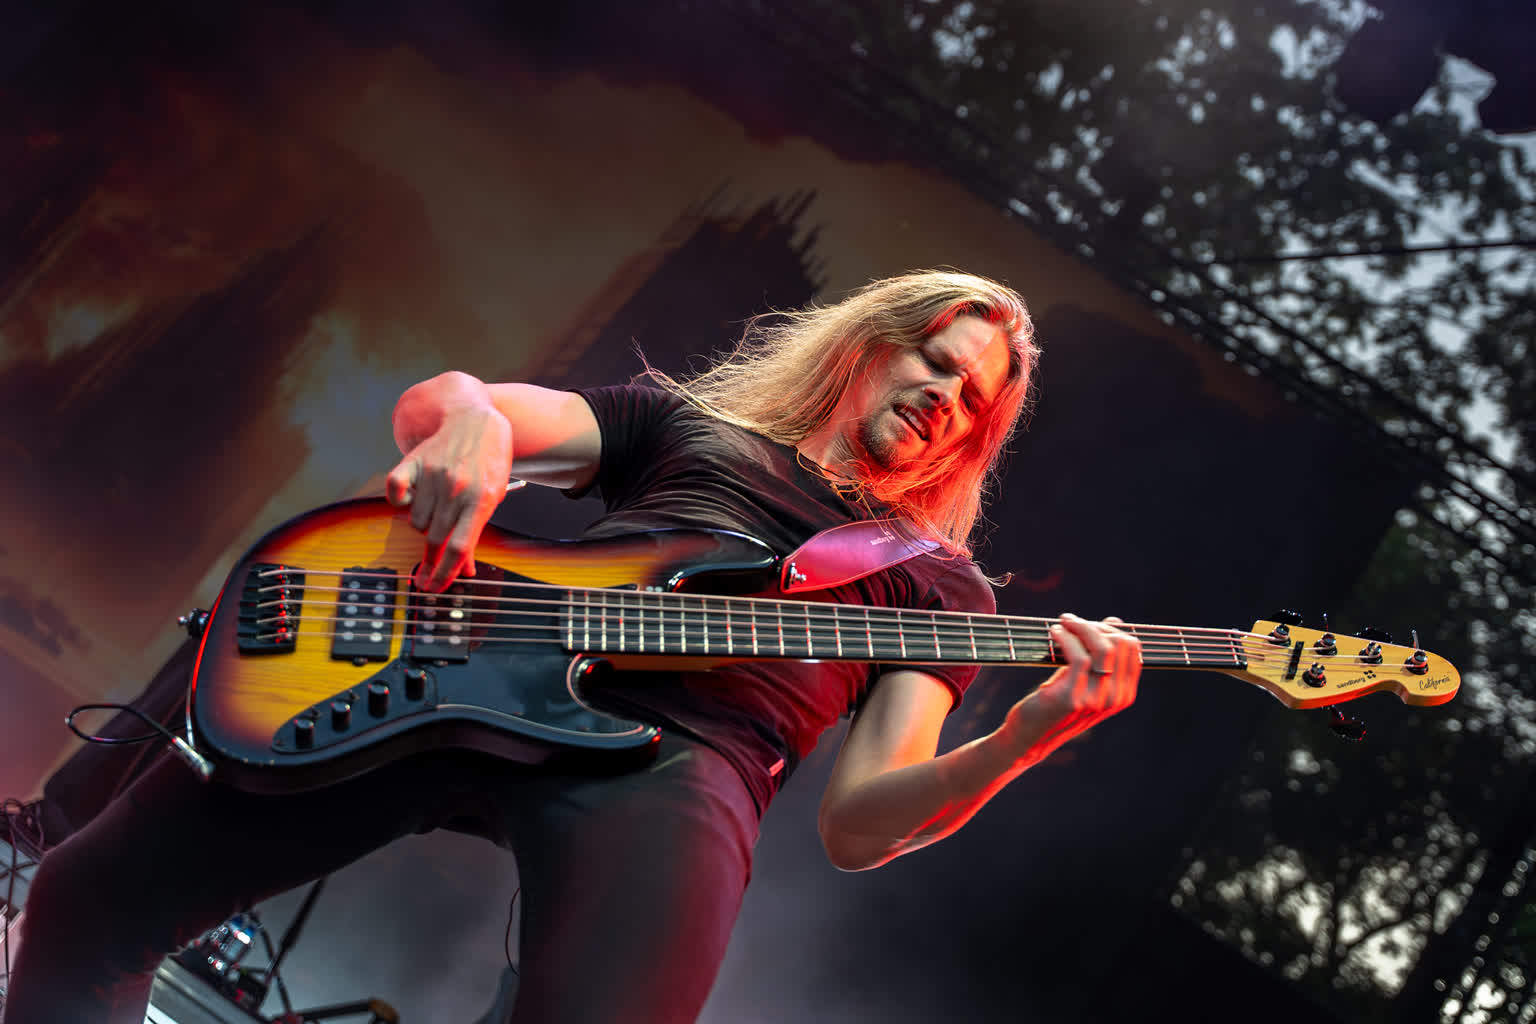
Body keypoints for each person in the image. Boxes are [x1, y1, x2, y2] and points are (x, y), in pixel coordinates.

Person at [1, 269, 1141, 1023]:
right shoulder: (689, 428)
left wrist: (1025, 740)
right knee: (86, 901)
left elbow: (858, 826)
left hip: (687, 768)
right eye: (935, 361)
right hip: (467, 668)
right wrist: (470, 421)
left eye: (974, 401)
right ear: (870, 347)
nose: (946, 397)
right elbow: (458, 402)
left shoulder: (937, 585)